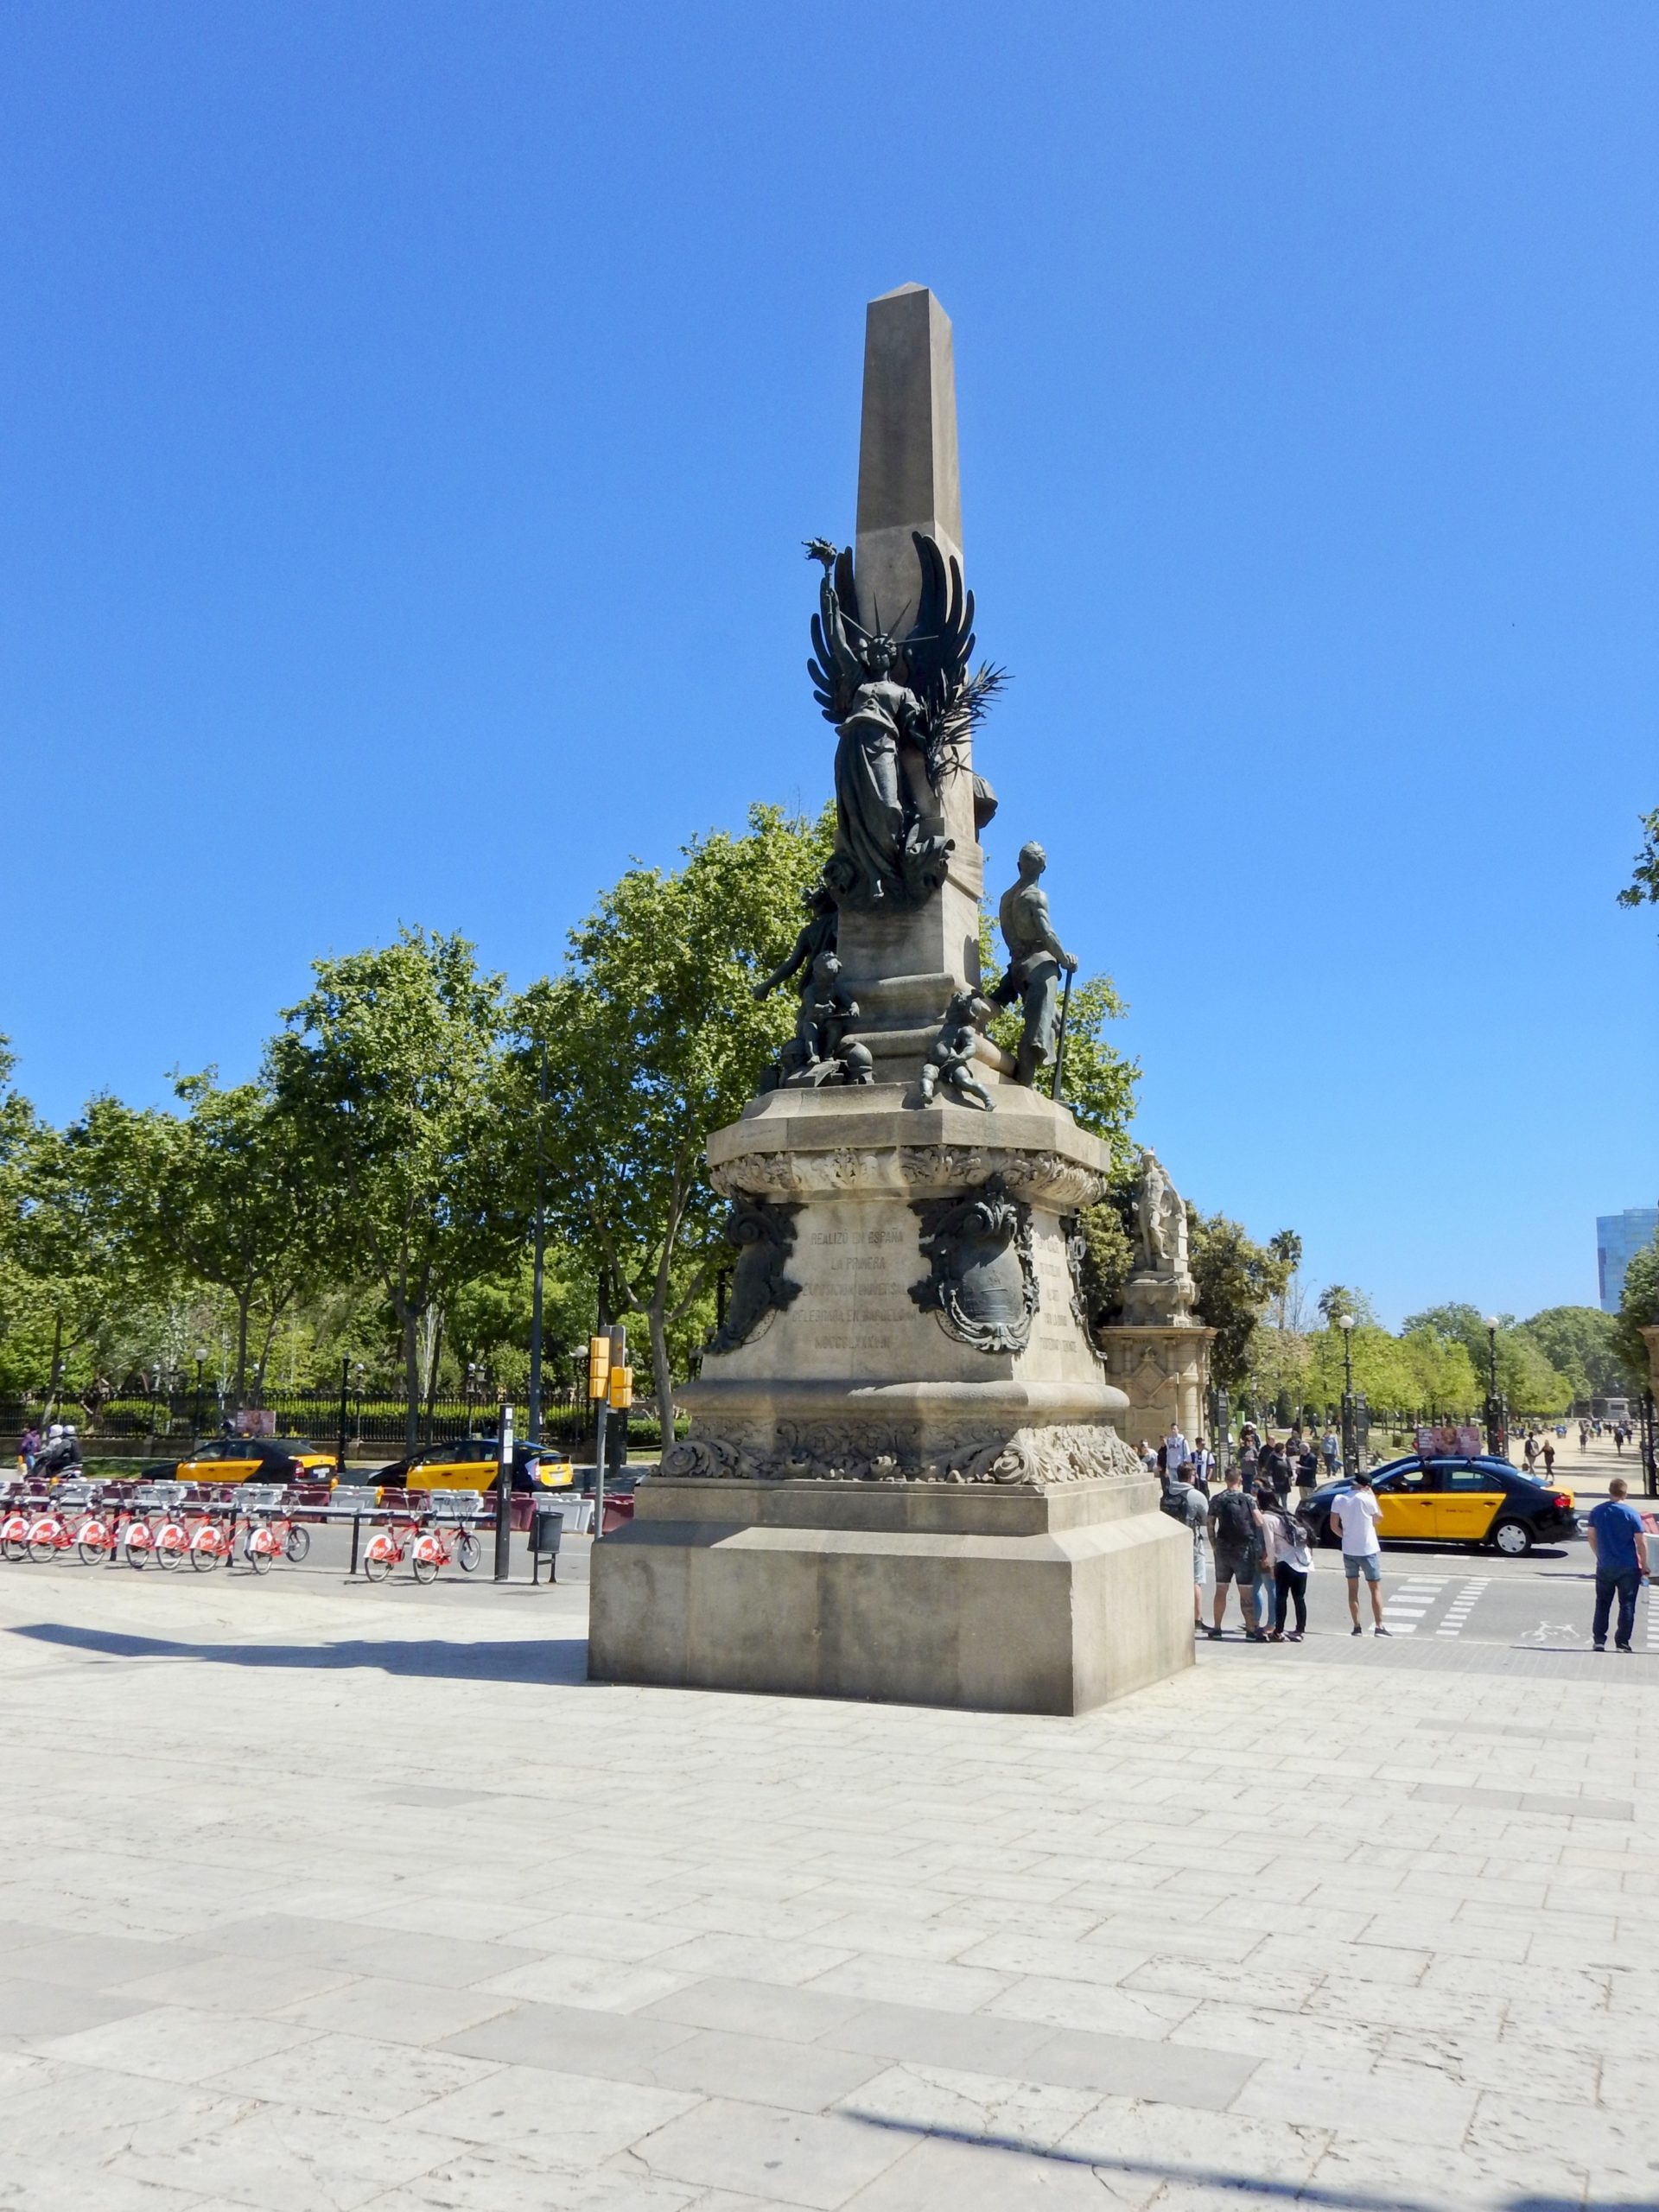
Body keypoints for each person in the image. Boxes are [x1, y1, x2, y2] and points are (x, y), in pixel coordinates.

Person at [1586, 1476, 1649, 1653]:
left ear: (1610, 1492)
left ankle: (1599, 1640)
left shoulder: (1597, 1511)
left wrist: (1599, 1554)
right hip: (1628, 1566)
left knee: (1603, 1604)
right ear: (1625, 1493)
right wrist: (1644, 1565)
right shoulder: (1631, 1514)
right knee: (1627, 1605)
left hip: (1605, 1565)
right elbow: (1641, 1542)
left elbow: (1591, 1535)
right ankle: (1622, 1643)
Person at [1205, 1469, 1266, 1641]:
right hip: (1244, 1550)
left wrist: (1214, 1545)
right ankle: (1251, 1630)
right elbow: (1259, 1521)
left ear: (1225, 1480)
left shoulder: (1217, 1499)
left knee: (1221, 1589)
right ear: (1239, 1480)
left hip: (1223, 1549)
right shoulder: (1248, 1499)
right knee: (1246, 1592)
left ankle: (1217, 1628)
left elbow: (1210, 1524)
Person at [1330, 1469, 1388, 1636]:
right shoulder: (1368, 1499)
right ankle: (1379, 1626)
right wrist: (1373, 1497)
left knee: (1352, 1589)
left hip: (1349, 1549)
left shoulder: (1339, 1499)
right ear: (1367, 1486)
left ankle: (1356, 1627)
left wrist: (1345, 1536)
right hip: (1368, 1548)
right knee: (1375, 1588)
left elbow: (1334, 1526)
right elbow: (1379, 1518)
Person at [1163, 1461, 1211, 1630]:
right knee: (1196, 1580)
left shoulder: (1168, 1491)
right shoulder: (1196, 1495)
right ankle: (1197, 1619)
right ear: (1191, 1476)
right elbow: (1207, 1518)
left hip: (1169, 1540)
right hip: (1192, 1541)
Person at [1262, 1492, 1313, 1641]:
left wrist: (1271, 1565)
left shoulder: (1267, 1518)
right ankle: (1299, 1631)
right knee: (1299, 1598)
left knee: (1281, 1597)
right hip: (1303, 1561)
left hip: (1285, 1561)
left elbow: (1270, 1545)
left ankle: (1278, 1631)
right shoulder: (1286, 1514)